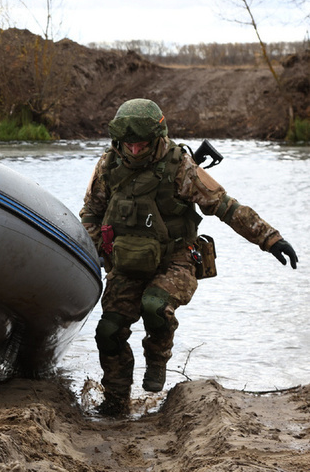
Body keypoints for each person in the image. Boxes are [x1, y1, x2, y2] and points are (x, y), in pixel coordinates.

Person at [79, 98, 297, 417]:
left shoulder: (179, 165)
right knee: (108, 331)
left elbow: (225, 207)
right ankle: (115, 399)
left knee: (155, 306)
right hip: (126, 263)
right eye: (129, 144)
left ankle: (158, 355)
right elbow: (90, 213)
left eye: (142, 144)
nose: (135, 151)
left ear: (155, 138)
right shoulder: (108, 165)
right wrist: (103, 247)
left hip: (175, 260)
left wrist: (270, 238)